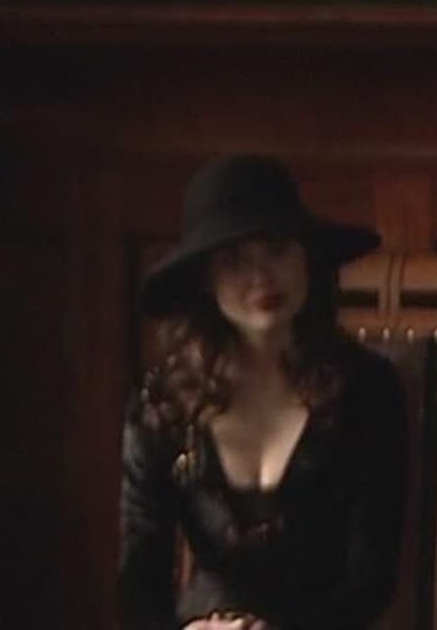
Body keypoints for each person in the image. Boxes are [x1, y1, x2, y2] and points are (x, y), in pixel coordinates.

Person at [119, 155, 407, 630]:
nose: (261, 275)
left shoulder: (369, 392)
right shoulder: (163, 406)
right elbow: (139, 576)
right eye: (235, 260)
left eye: (276, 248)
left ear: (306, 257)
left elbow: (371, 579)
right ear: (206, 280)